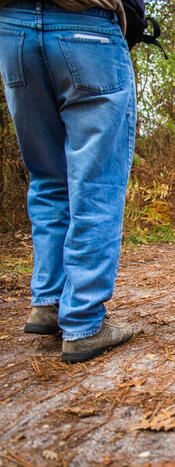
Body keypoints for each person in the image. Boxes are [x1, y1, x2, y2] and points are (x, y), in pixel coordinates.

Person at [0, 0, 135, 362]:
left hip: (13, 30)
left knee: (47, 177)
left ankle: (47, 301)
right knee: (96, 184)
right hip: (86, 26)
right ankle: (83, 321)